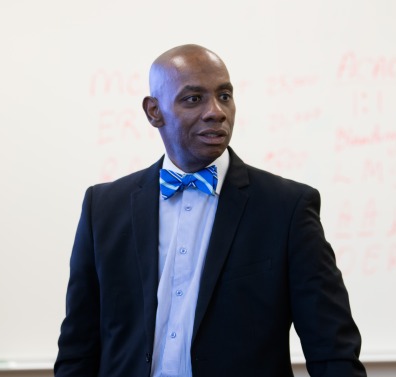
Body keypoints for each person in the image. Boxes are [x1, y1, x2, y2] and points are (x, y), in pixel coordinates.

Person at [55, 44, 367, 377]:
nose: (216, 111)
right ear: (153, 111)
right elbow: (78, 346)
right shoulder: (102, 208)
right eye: (194, 98)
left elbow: (332, 350)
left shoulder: (287, 208)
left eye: (225, 96)